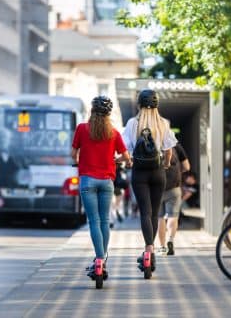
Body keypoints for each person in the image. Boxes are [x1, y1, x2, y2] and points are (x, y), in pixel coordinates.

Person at [71, 96, 132, 281]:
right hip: (107, 182)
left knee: (94, 221)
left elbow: (73, 153)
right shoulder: (113, 133)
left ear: (92, 111)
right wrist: (118, 160)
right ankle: (102, 261)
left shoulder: (82, 128)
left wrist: (77, 162)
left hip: (88, 181)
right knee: (105, 220)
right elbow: (126, 157)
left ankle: (98, 260)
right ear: (108, 115)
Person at [122, 89, 177, 275]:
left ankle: (148, 251)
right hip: (158, 172)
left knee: (145, 212)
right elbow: (169, 150)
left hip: (139, 173)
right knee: (154, 213)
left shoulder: (132, 123)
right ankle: (150, 252)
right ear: (157, 105)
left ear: (138, 105)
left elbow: (126, 149)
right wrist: (167, 164)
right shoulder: (163, 123)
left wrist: (128, 162)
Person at [158, 142, 190, 256]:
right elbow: (187, 166)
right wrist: (178, 172)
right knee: (173, 216)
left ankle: (162, 247)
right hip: (174, 187)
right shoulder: (175, 144)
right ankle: (170, 240)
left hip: (157, 188)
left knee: (160, 218)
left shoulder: (151, 143)